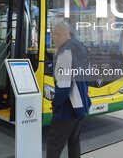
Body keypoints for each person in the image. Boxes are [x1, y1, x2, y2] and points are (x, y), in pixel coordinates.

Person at [46, 21, 91, 158]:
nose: (53, 42)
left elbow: (64, 87)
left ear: (59, 36)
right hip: (81, 106)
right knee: (74, 143)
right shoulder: (81, 48)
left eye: (53, 38)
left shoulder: (65, 52)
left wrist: (55, 105)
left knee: (54, 145)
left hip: (67, 109)